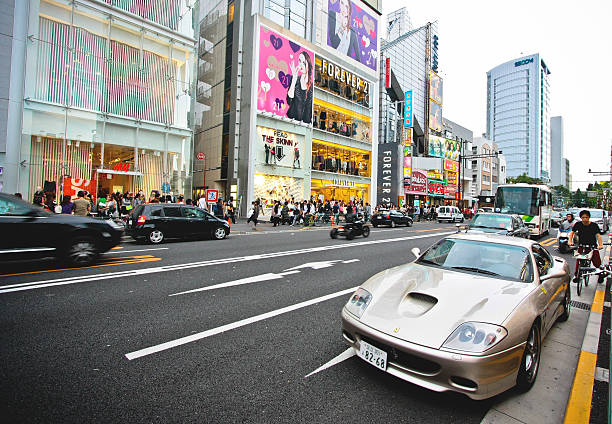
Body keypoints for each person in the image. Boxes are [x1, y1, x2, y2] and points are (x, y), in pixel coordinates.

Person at [569, 209, 603, 283]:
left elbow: (598, 236)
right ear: (581, 218)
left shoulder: (594, 225)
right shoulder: (578, 224)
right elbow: (572, 233)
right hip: (581, 246)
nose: (585, 219)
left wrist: (600, 245)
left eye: (586, 217)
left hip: (592, 246)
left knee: (597, 262)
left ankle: (601, 275)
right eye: (583, 217)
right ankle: (577, 276)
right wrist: (570, 241)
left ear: (589, 217)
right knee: (578, 261)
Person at [286, 51, 313, 124]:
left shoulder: (312, 86)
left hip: (305, 124)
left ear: (308, 65)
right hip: (291, 120)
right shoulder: (295, 79)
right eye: (300, 61)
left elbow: (310, 108)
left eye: (304, 63)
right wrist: (294, 79)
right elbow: (289, 100)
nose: (301, 64)